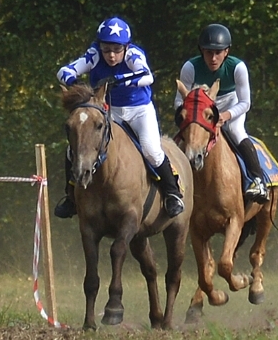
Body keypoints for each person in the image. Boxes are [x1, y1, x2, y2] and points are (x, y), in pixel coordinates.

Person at [55, 16, 185, 218]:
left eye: (117, 50)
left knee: (150, 149)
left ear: (126, 47)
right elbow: (63, 72)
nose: (111, 55)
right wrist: (76, 83)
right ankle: (71, 197)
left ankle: (172, 192)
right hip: (111, 112)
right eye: (106, 49)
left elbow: (147, 76)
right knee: (76, 149)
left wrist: (120, 79)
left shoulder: (133, 54)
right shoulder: (94, 54)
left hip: (139, 111)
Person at [174, 23, 268, 203]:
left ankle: (258, 180)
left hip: (230, 105)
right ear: (201, 51)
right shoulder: (190, 67)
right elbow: (179, 101)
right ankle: (172, 185)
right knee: (181, 139)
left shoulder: (238, 67)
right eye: (208, 52)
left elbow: (245, 102)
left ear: (227, 52)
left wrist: (225, 116)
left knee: (236, 131)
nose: (213, 58)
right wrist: (189, 118)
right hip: (200, 110)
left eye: (218, 52)